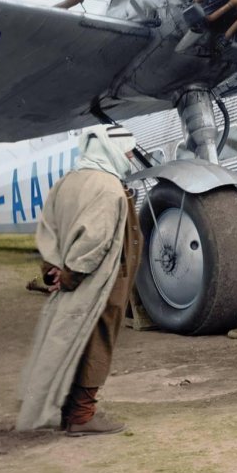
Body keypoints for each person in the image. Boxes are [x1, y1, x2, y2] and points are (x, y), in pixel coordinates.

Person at [16, 124, 142, 435]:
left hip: (70, 276)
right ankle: (82, 415)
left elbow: (49, 228)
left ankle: (63, 410)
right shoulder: (109, 187)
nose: (129, 157)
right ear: (110, 150)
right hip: (100, 279)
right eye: (126, 151)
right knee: (96, 340)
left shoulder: (65, 182)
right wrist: (71, 274)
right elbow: (95, 240)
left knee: (66, 339)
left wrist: (53, 269)